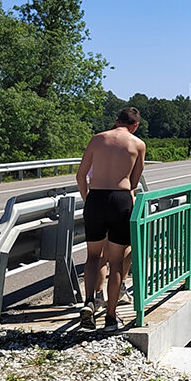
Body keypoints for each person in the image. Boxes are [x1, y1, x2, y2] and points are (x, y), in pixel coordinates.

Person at [76, 107, 146, 331]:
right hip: (120, 199)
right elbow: (134, 182)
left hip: (96, 198)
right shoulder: (137, 144)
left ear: (116, 122)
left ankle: (88, 302)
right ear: (134, 125)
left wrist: (88, 198)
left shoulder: (97, 139)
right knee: (116, 261)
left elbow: (80, 175)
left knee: (93, 257)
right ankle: (111, 317)